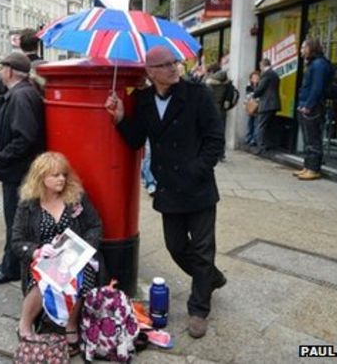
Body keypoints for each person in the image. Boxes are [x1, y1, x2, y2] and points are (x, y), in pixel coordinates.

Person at [104, 46, 226, 339]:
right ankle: (210, 277)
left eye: (176, 63)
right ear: (150, 72)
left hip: (198, 187)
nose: (174, 68)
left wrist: (198, 168)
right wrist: (119, 117)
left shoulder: (197, 95)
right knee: (175, 247)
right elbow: (135, 141)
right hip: (168, 188)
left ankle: (198, 309)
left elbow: (215, 139)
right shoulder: (142, 100)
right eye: (166, 65)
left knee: (202, 248)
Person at [12, 152, 101, 357]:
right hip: (44, 258)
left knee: (81, 274)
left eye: (63, 174)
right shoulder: (28, 205)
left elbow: (95, 226)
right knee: (43, 278)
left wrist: (83, 249)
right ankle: (24, 325)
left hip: (74, 255)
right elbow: (16, 241)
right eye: (55, 175)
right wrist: (36, 250)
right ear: (41, 178)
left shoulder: (76, 198)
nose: (62, 179)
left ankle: (70, 325)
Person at [0, 52, 45, 285]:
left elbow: (25, 137)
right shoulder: (21, 94)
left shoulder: (21, 97)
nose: (0, 73)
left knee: (15, 221)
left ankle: (10, 268)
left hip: (18, 171)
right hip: (18, 170)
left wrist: (2, 156)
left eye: (2, 69)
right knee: (15, 220)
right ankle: (8, 262)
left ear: (10, 71)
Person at [294, 38, 333, 180]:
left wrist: (308, 105)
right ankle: (308, 166)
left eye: (304, 47)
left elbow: (317, 88)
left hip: (313, 107)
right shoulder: (314, 64)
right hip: (306, 104)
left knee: (313, 138)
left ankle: (314, 168)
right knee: (307, 139)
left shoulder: (319, 65)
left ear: (312, 48)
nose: (301, 51)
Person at [252, 58, 281, 154]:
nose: (260, 69)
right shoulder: (275, 74)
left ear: (263, 65)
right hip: (274, 103)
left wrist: (255, 91)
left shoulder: (266, 74)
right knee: (269, 125)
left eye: (260, 66)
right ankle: (268, 144)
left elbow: (260, 89)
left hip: (266, 103)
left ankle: (261, 147)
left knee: (261, 125)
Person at [205, 63, 231, 160]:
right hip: (221, 110)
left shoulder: (208, 82)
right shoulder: (228, 83)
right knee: (220, 131)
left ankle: (213, 152)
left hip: (211, 109)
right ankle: (221, 153)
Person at [244, 70, 261, 146]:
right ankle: (248, 138)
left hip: (257, 107)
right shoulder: (249, 87)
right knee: (249, 123)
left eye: (257, 78)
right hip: (250, 106)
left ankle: (254, 139)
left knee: (256, 123)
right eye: (254, 78)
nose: (255, 79)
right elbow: (247, 96)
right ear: (251, 79)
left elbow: (258, 96)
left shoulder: (260, 86)